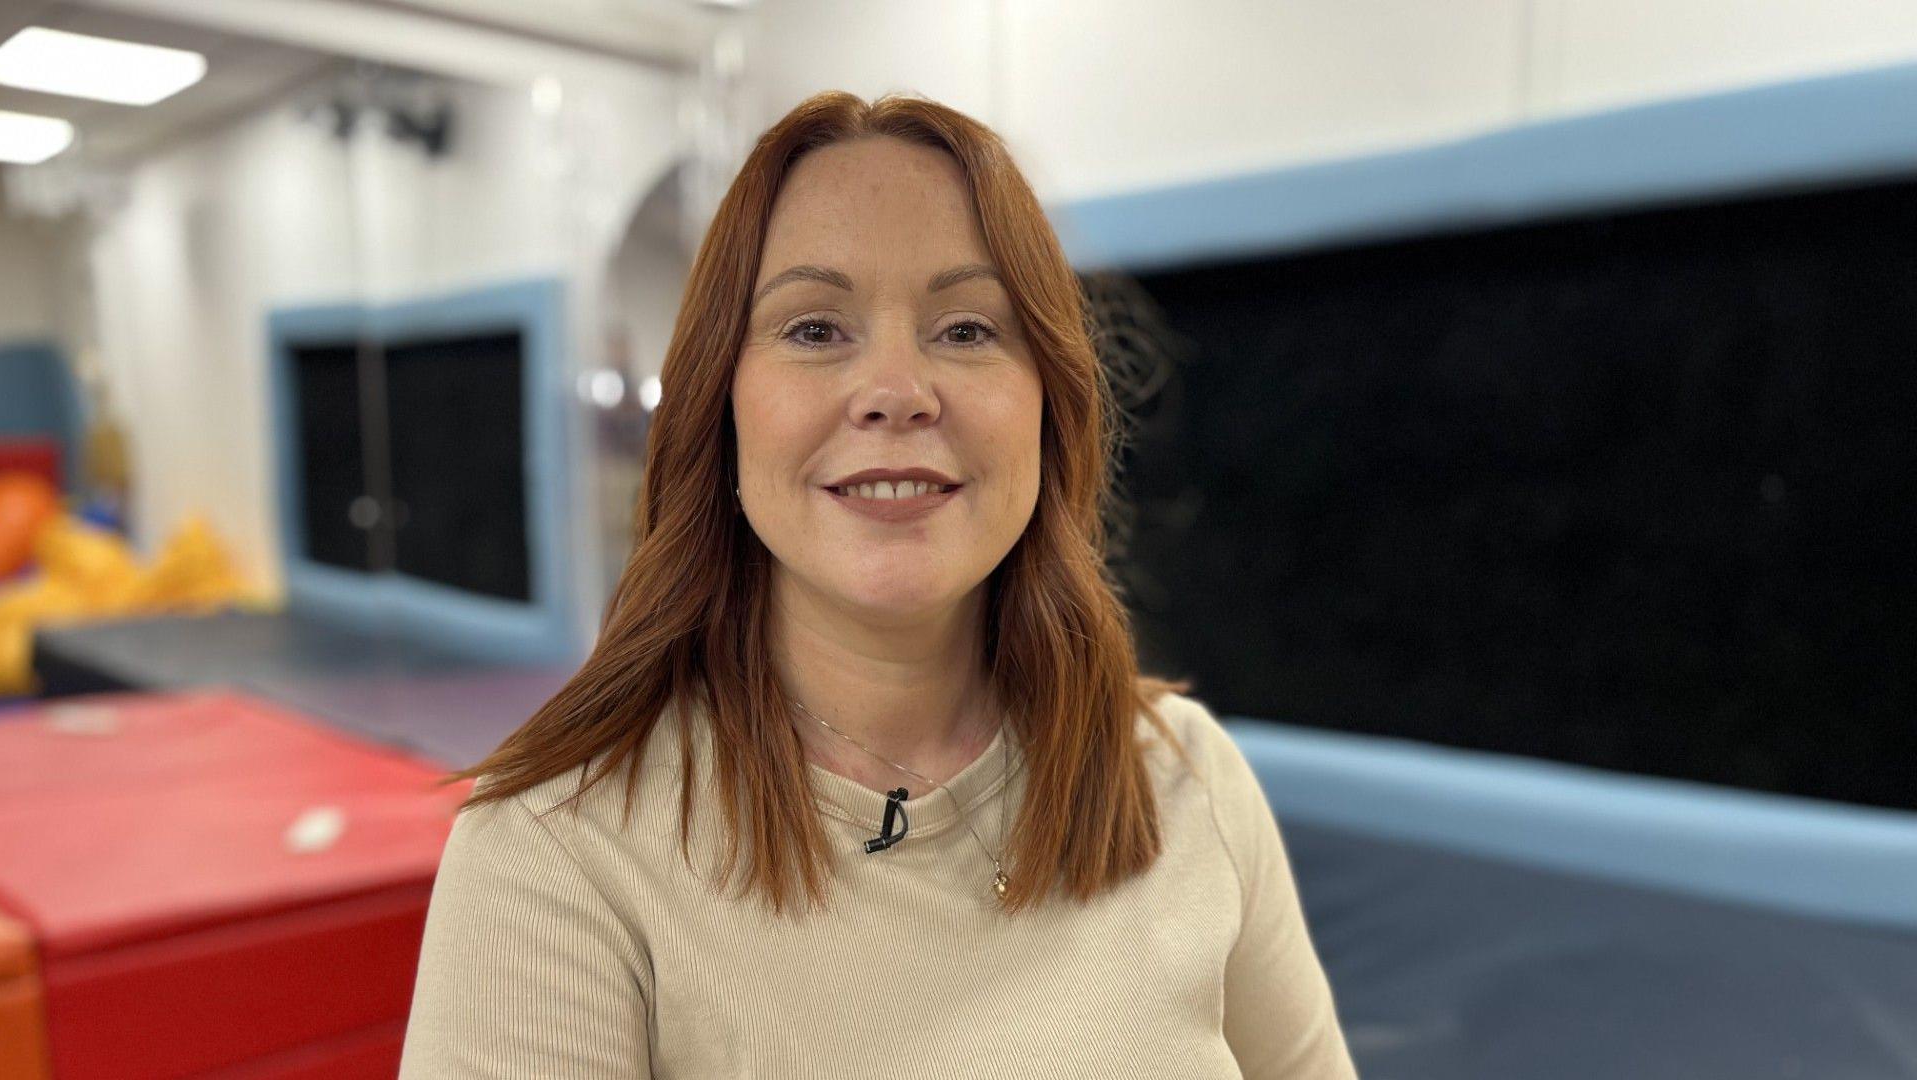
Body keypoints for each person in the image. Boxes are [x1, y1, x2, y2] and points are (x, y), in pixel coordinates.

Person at [397, 89, 1359, 1079]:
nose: (898, 390)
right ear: (720, 406)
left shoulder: (1184, 775)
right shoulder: (560, 854)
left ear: (1048, 404)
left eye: (967, 329)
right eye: (815, 329)